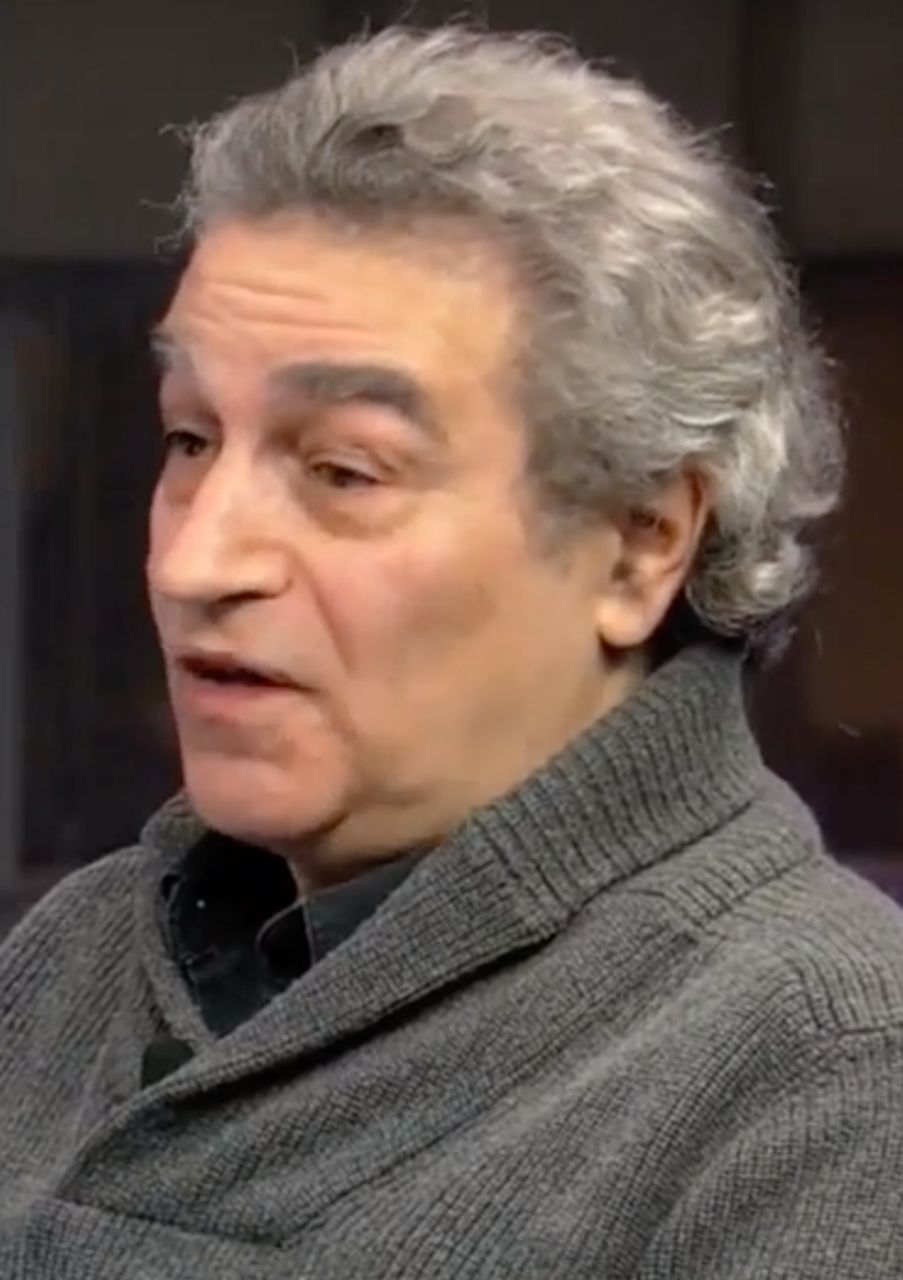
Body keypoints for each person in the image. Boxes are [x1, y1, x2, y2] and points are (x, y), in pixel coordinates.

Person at [2, 25, 901, 1279]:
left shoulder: (830, 1078)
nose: (196, 562)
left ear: (640, 541)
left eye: (343, 469)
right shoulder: (74, 956)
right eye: (190, 439)